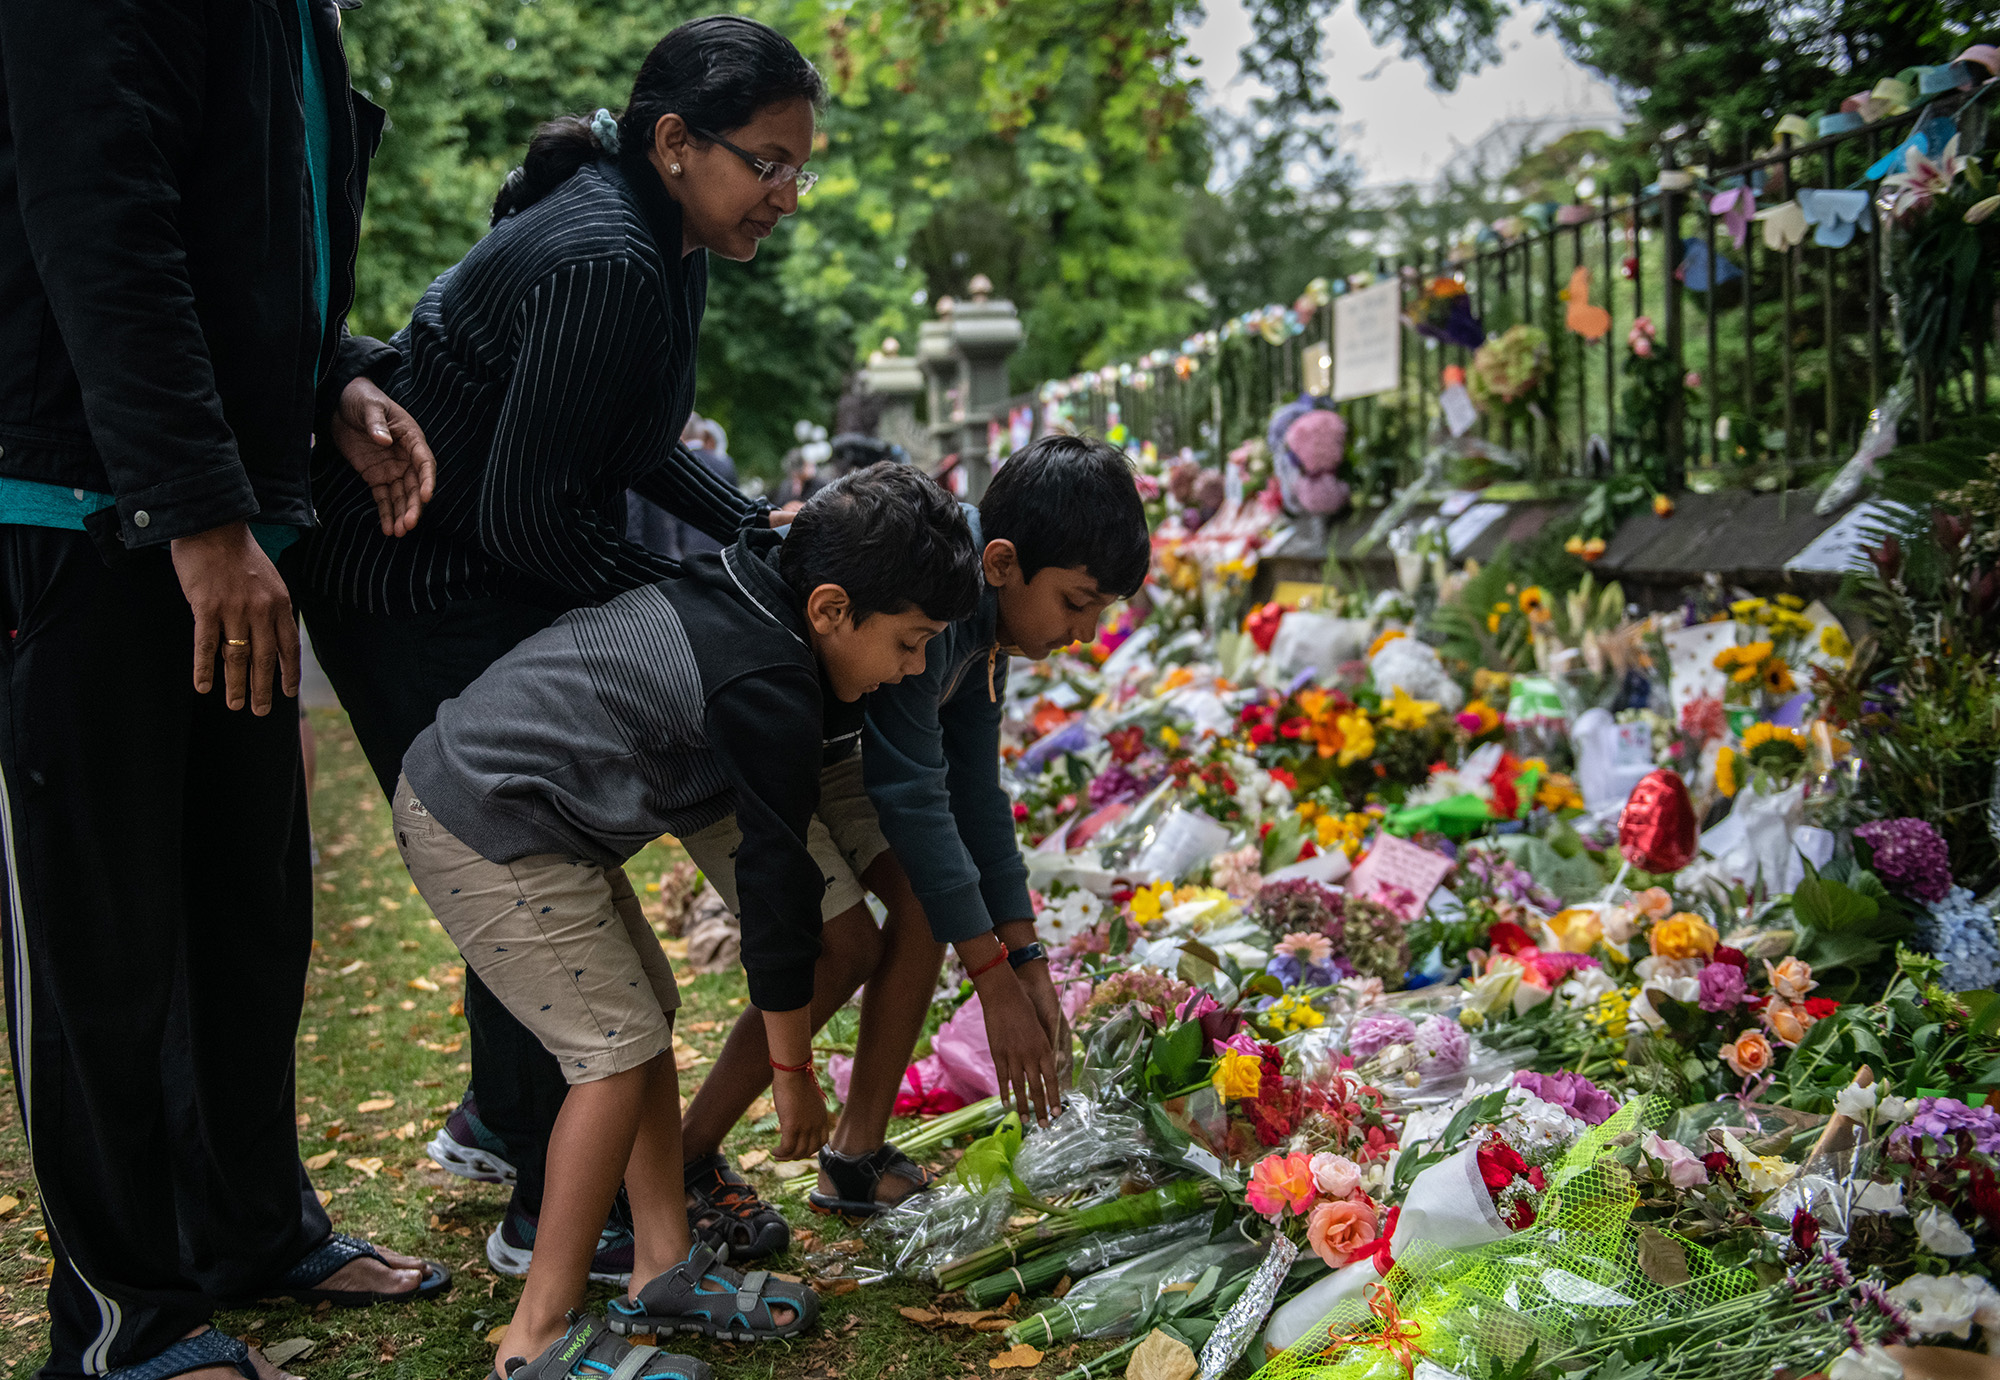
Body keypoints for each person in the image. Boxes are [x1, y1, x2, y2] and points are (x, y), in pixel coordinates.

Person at [293, 15, 826, 1283]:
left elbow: (630, 437)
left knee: (539, 857)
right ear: (674, 141)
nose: (786, 196)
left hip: (475, 564)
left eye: (800, 167)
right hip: (407, 578)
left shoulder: (666, 238)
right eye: (766, 163)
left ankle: (502, 1122)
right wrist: (708, 606)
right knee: (529, 859)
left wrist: (748, 533)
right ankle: (551, 1205)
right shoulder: (604, 256)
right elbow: (532, 517)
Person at [0, 5, 451, 1380]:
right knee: (102, 937)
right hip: (85, 505)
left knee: (245, 909)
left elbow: (257, 230)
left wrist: (339, 376)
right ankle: (123, 1314)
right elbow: (101, 214)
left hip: (230, 513)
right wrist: (193, 510)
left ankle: (253, 1233)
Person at [393, 464, 980, 1380]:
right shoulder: (768, 680)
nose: (912, 669)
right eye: (909, 644)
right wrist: (791, 1074)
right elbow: (778, 888)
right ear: (830, 610)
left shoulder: (761, 589)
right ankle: (537, 1334)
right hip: (488, 816)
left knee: (641, 1022)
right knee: (614, 1053)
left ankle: (662, 1265)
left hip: (534, 820)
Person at [674, 433, 1149, 1223]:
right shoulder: (931, 596)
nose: (1086, 632)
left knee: (931, 899)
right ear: (1001, 563)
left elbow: (975, 794)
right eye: (1075, 601)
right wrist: (992, 981)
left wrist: (1025, 956)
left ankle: (854, 1157)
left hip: (826, 743)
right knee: (847, 942)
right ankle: (683, 1156)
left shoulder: (982, 617)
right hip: (741, 743)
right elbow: (911, 793)